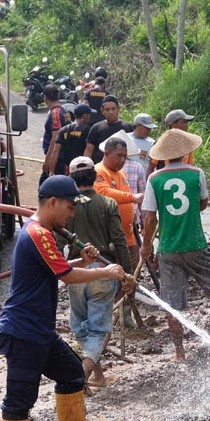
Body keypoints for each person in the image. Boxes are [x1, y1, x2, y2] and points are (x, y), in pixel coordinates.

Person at [0, 175, 126, 421]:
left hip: (39, 330)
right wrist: (105, 271)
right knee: (19, 400)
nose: (72, 214)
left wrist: (85, 261)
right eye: (69, 207)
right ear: (52, 203)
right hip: (23, 331)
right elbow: (66, 276)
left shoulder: (39, 231)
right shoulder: (38, 234)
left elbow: (58, 267)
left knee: (72, 374)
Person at [140, 129, 210, 360]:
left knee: (171, 303)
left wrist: (146, 246)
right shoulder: (196, 173)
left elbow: (150, 218)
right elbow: (202, 204)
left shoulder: (154, 178)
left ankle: (179, 352)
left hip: (168, 249)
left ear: (162, 155)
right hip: (196, 245)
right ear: (185, 152)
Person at [62, 157, 133, 389]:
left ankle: (98, 375)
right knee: (99, 329)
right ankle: (82, 375)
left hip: (76, 272)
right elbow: (120, 241)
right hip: (103, 271)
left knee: (81, 326)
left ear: (72, 179)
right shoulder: (108, 203)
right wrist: (127, 273)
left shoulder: (67, 207)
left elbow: (56, 241)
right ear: (94, 176)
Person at [95, 136, 144, 329]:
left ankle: (126, 315)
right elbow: (103, 193)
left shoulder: (121, 173)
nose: (123, 159)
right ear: (107, 153)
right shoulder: (99, 172)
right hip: (109, 238)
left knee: (130, 277)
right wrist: (132, 197)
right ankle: (107, 319)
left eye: (125, 156)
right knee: (110, 279)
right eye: (119, 155)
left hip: (128, 236)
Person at [83, 95, 135, 163]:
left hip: (122, 167)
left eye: (113, 109)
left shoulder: (128, 127)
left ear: (118, 109)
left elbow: (133, 149)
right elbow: (89, 150)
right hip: (100, 168)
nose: (110, 112)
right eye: (107, 109)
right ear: (102, 111)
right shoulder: (96, 128)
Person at [146, 109, 196, 175]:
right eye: (183, 122)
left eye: (186, 122)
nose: (186, 125)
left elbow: (190, 166)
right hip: (164, 182)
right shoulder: (161, 143)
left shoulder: (188, 144)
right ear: (173, 124)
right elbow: (151, 167)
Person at [47, 103, 91, 177]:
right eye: (89, 115)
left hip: (67, 168)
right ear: (85, 116)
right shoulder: (88, 130)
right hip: (82, 168)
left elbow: (56, 151)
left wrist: (51, 171)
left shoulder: (63, 130)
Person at [40, 84, 71, 185]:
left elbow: (55, 137)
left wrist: (49, 161)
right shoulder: (65, 111)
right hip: (63, 156)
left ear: (45, 97)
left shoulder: (55, 113)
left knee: (46, 188)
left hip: (58, 159)